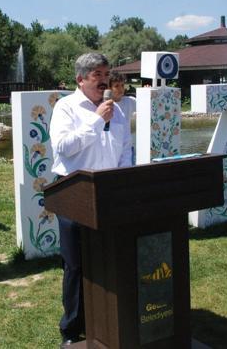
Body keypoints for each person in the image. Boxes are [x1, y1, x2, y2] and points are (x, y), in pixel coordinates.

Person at [49, 53, 132, 346]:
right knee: (76, 264)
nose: (104, 80)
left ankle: (108, 319)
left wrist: (123, 181)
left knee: (110, 258)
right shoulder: (66, 108)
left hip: (109, 191)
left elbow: (125, 150)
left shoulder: (117, 111)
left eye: (106, 73)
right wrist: (96, 122)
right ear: (80, 79)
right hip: (74, 192)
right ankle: (72, 330)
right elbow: (63, 147)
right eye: (97, 74)